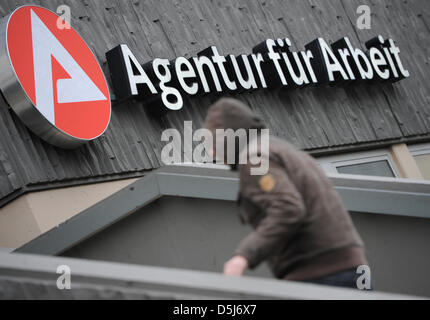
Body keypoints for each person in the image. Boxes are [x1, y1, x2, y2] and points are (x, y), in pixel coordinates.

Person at [203, 97, 369, 289]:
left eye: (214, 142)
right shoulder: (281, 149)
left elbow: (288, 207)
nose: (213, 152)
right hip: (353, 268)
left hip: (320, 274)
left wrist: (242, 257)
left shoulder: (254, 158)